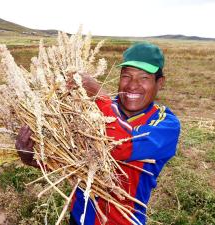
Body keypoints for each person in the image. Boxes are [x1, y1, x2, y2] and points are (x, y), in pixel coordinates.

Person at [15, 42, 181, 225]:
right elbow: (71, 159)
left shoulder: (166, 125)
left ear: (160, 83)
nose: (133, 85)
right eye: (126, 76)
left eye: (144, 78)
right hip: (79, 218)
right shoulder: (90, 108)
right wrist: (35, 160)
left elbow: (119, 146)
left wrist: (99, 96)